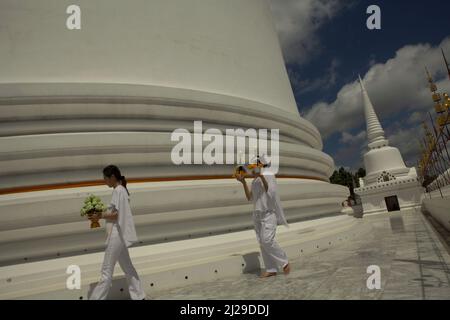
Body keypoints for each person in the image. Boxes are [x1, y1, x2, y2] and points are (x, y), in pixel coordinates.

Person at [88, 165, 146, 300]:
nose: (104, 181)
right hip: (120, 234)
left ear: (112, 177)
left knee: (106, 271)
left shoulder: (118, 191)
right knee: (128, 268)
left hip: (116, 234)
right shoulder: (122, 190)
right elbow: (116, 213)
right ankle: (139, 296)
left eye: (105, 179)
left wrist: (99, 216)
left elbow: (116, 215)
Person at [235, 155, 290, 278]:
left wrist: (261, 176)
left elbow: (270, 192)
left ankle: (284, 261)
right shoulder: (255, 181)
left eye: (254, 167)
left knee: (267, 240)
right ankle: (271, 269)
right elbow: (250, 197)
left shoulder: (269, 177)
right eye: (252, 168)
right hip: (257, 215)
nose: (252, 170)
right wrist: (243, 182)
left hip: (269, 214)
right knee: (262, 243)